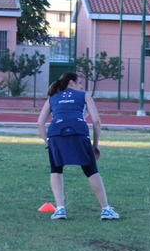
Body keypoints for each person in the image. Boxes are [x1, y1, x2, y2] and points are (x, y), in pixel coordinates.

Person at [37, 72, 119, 220]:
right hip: (79, 133)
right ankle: (106, 210)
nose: (81, 86)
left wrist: (47, 143)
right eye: (79, 82)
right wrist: (95, 144)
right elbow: (96, 121)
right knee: (91, 171)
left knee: (56, 170)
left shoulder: (52, 99)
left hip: (56, 134)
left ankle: (60, 209)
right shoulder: (84, 96)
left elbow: (39, 123)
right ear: (71, 83)